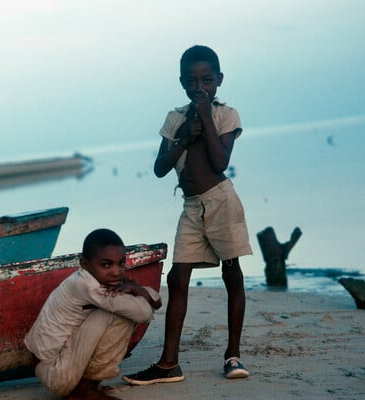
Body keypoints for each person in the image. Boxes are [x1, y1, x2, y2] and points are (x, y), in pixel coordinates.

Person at [122, 45, 252, 385]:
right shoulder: (174, 119)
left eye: (207, 80)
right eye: (192, 80)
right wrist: (182, 137)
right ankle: (169, 363)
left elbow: (220, 162)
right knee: (177, 277)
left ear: (219, 80)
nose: (200, 87)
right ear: (182, 82)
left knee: (232, 272)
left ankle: (232, 355)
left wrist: (206, 117)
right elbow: (160, 168)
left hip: (222, 201)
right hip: (192, 207)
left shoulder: (226, 115)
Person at [24, 228, 162, 399]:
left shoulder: (100, 279)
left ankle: (85, 387)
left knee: (120, 309)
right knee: (120, 314)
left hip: (57, 366)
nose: (116, 271)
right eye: (106, 265)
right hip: (55, 372)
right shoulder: (86, 285)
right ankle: (84, 390)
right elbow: (145, 312)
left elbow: (156, 301)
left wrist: (133, 288)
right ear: (85, 265)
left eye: (121, 263)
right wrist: (135, 290)